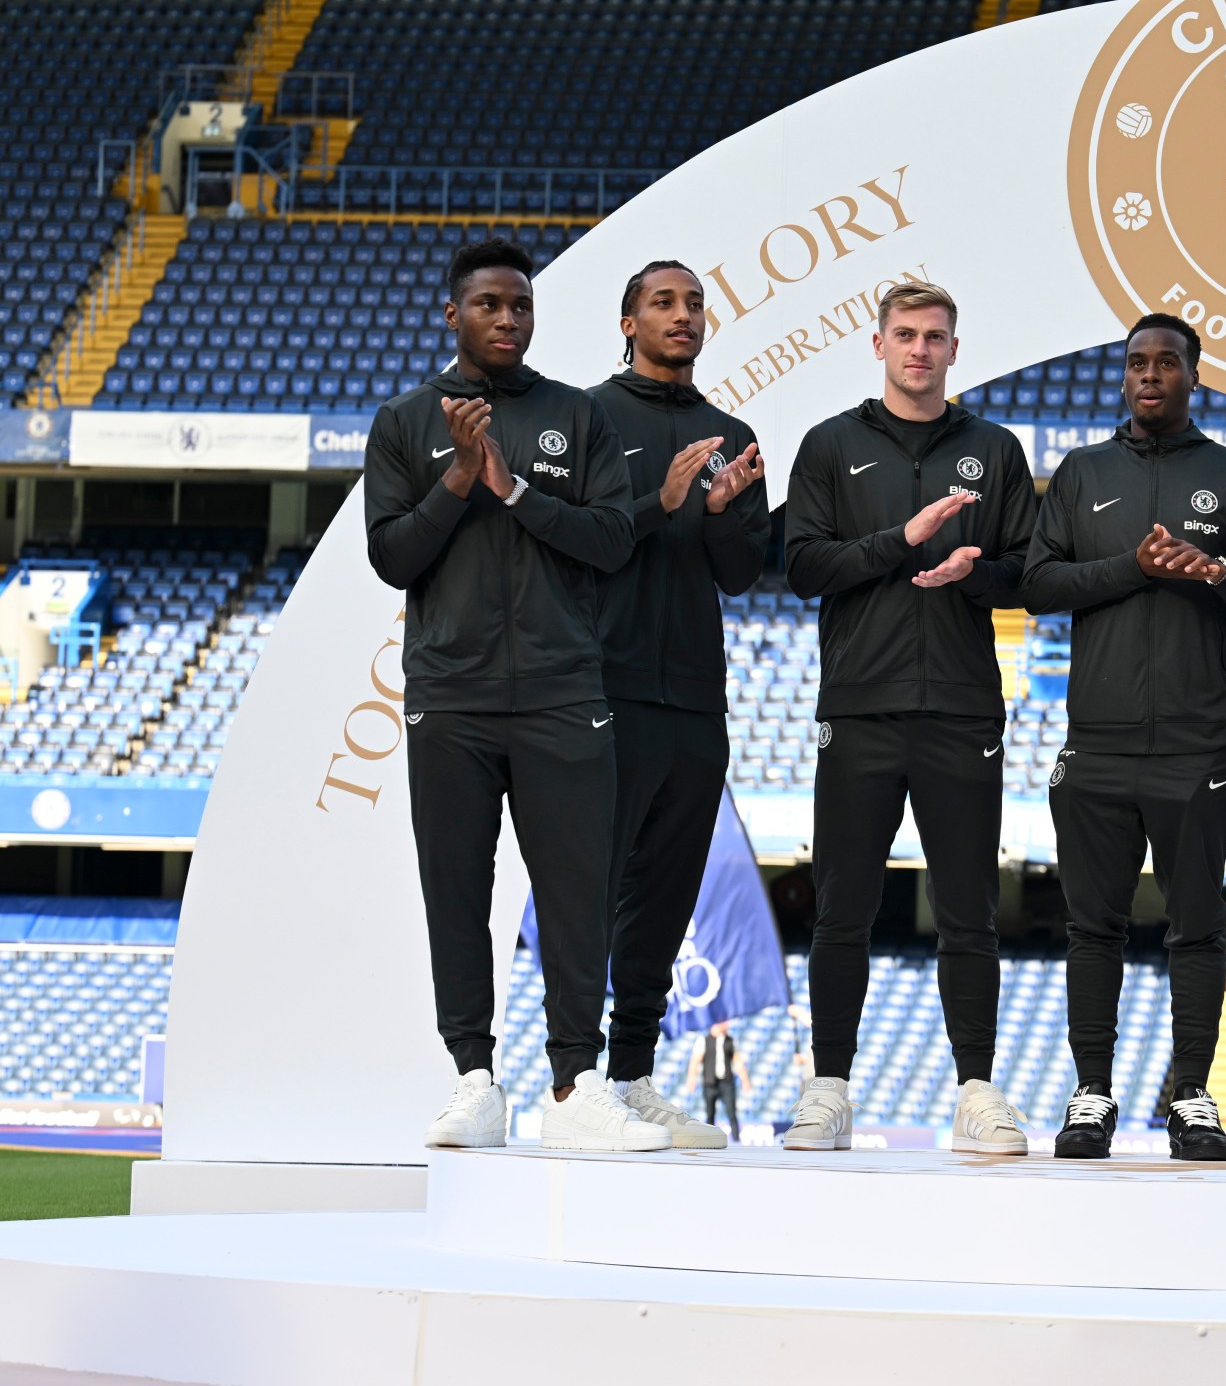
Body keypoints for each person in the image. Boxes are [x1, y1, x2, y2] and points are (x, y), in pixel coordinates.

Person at [365, 237, 665, 1153]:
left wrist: (513, 488)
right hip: (450, 696)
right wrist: (459, 476)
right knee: (456, 891)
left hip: (563, 691)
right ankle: (474, 1080)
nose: (507, 318)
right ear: (451, 313)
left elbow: (611, 540)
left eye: (520, 305)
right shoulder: (404, 422)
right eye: (489, 304)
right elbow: (392, 558)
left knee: (576, 895)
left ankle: (575, 1085)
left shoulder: (576, 415)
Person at [1020, 313, 1226, 1162]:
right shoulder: (1081, 472)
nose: (1150, 375)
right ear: (1124, 375)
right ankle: (1092, 1093)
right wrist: (1131, 569)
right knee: (1092, 927)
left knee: (1198, 927)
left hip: (1198, 746)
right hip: (1097, 744)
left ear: (1194, 375)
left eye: (1167, 362)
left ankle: (1192, 1096)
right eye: (1137, 362)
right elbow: (1037, 585)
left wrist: (1220, 574)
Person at [780, 280, 1036, 1154]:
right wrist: (904, 540)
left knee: (969, 911)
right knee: (842, 908)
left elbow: (1027, 572)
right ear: (879, 344)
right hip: (860, 707)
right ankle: (828, 1090)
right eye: (905, 334)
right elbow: (803, 567)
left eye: (934, 336)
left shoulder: (994, 450)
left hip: (963, 708)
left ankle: (977, 1092)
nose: (919, 349)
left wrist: (974, 573)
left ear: (955, 350)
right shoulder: (831, 445)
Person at [587, 259, 771, 1148]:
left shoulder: (732, 435)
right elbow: (582, 545)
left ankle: (631, 1076)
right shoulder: (587, 418)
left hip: (696, 701)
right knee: (591, 892)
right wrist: (660, 504)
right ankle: (572, 1080)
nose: (683, 315)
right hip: (604, 689)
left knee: (664, 899)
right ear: (629, 322)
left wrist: (724, 511)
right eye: (663, 302)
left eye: (694, 303)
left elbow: (741, 575)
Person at [686, 1020, 748, 1135]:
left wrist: (745, 1079)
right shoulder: (704, 1040)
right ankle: (710, 1138)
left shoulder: (730, 1040)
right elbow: (695, 1061)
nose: (727, 1024)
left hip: (727, 1083)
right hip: (710, 1083)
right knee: (710, 1114)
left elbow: (737, 1061)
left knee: (732, 1113)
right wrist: (691, 1078)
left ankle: (736, 1139)